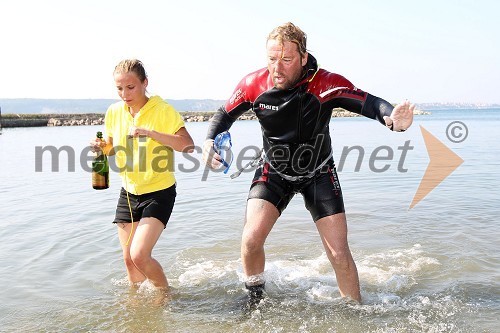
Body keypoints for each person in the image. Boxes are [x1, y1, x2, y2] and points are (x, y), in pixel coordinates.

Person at [202, 22, 414, 303]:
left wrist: (392, 121)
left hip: (318, 172)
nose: (277, 68)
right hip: (273, 170)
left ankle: (355, 310)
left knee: (338, 252)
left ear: (303, 59)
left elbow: (370, 102)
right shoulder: (253, 85)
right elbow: (223, 115)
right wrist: (208, 141)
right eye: (271, 59)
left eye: (286, 60)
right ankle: (255, 301)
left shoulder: (325, 83)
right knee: (251, 241)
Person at [90, 59, 194, 292]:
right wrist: (100, 147)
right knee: (128, 259)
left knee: (140, 254)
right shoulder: (114, 112)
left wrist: (150, 133)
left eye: (130, 87)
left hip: (159, 192)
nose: (124, 94)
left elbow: (187, 145)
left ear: (145, 83)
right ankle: (137, 311)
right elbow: (111, 147)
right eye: (119, 88)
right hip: (128, 192)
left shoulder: (163, 110)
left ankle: (165, 297)